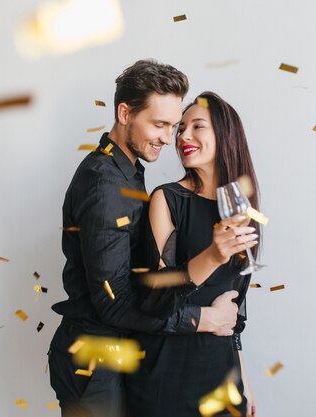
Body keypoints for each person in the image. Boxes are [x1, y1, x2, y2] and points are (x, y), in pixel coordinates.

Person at [48, 61, 256, 417]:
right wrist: (203, 319)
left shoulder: (129, 173)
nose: (169, 137)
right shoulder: (106, 186)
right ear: (124, 113)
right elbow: (115, 302)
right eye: (161, 125)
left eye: (172, 126)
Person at [125, 91, 261, 417]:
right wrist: (213, 256)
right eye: (181, 128)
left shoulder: (241, 209)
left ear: (226, 135)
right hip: (167, 381)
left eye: (197, 126)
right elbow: (153, 298)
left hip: (223, 383)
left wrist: (244, 382)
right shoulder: (167, 199)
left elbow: (234, 312)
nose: (183, 136)